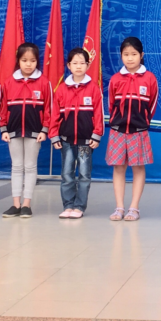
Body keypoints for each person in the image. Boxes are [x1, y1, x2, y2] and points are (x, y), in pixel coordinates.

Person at [106, 36, 158, 221]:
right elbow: (111, 104)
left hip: (139, 131)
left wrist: (142, 121)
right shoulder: (115, 79)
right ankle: (119, 207)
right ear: (121, 56)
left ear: (141, 55)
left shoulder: (149, 78)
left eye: (134, 54)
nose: (130, 58)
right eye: (126, 54)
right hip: (118, 131)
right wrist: (117, 120)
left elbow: (152, 104)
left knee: (138, 168)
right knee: (119, 168)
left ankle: (134, 208)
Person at [0, 42, 52, 219]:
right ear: (18, 61)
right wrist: (3, 129)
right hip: (13, 131)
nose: (28, 64)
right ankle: (15, 204)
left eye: (32, 60)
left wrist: (44, 129)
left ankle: (26, 204)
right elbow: (3, 108)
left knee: (30, 167)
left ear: (37, 61)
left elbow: (49, 108)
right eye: (24, 60)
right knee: (16, 167)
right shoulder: (8, 83)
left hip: (35, 133)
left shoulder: (44, 82)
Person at [50, 47, 103, 219]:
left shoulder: (93, 88)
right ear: (69, 66)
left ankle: (79, 206)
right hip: (66, 140)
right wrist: (54, 135)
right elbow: (55, 114)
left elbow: (98, 114)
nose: (78, 66)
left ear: (88, 65)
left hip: (86, 141)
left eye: (82, 63)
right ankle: (68, 206)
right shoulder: (61, 89)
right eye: (75, 63)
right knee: (67, 174)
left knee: (84, 175)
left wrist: (96, 135)